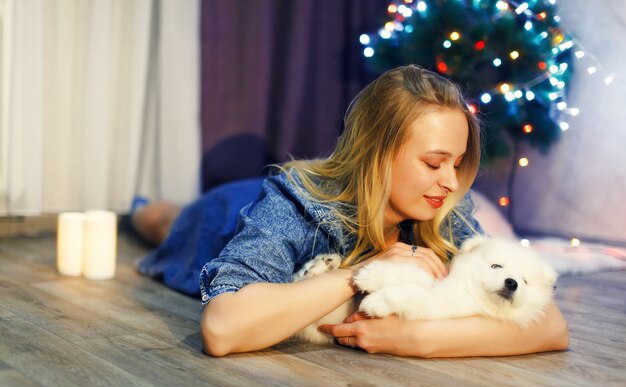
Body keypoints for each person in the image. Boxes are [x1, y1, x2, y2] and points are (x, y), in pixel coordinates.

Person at [134, 65, 569, 357]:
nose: (452, 182)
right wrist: (362, 272)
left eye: (456, 165)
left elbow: (550, 326)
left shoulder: (441, 207)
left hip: (287, 192)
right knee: (168, 223)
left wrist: (414, 337)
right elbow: (223, 328)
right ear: (377, 154)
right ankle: (136, 206)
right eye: (434, 163)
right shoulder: (296, 204)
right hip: (225, 217)